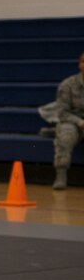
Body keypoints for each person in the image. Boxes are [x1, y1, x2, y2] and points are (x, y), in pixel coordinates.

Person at [49, 51, 84, 190]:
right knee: (66, 133)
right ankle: (61, 175)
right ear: (79, 65)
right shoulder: (68, 85)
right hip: (73, 122)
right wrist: (79, 122)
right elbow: (62, 112)